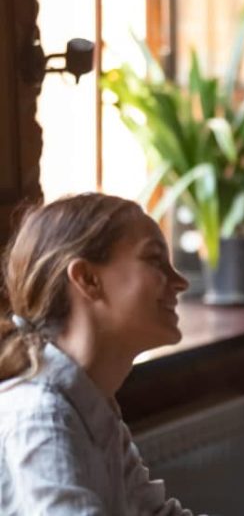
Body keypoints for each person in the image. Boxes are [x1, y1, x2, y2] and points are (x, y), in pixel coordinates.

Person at [0, 193, 193, 515]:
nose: (180, 282)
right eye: (155, 259)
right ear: (88, 279)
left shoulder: (92, 406)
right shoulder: (42, 418)